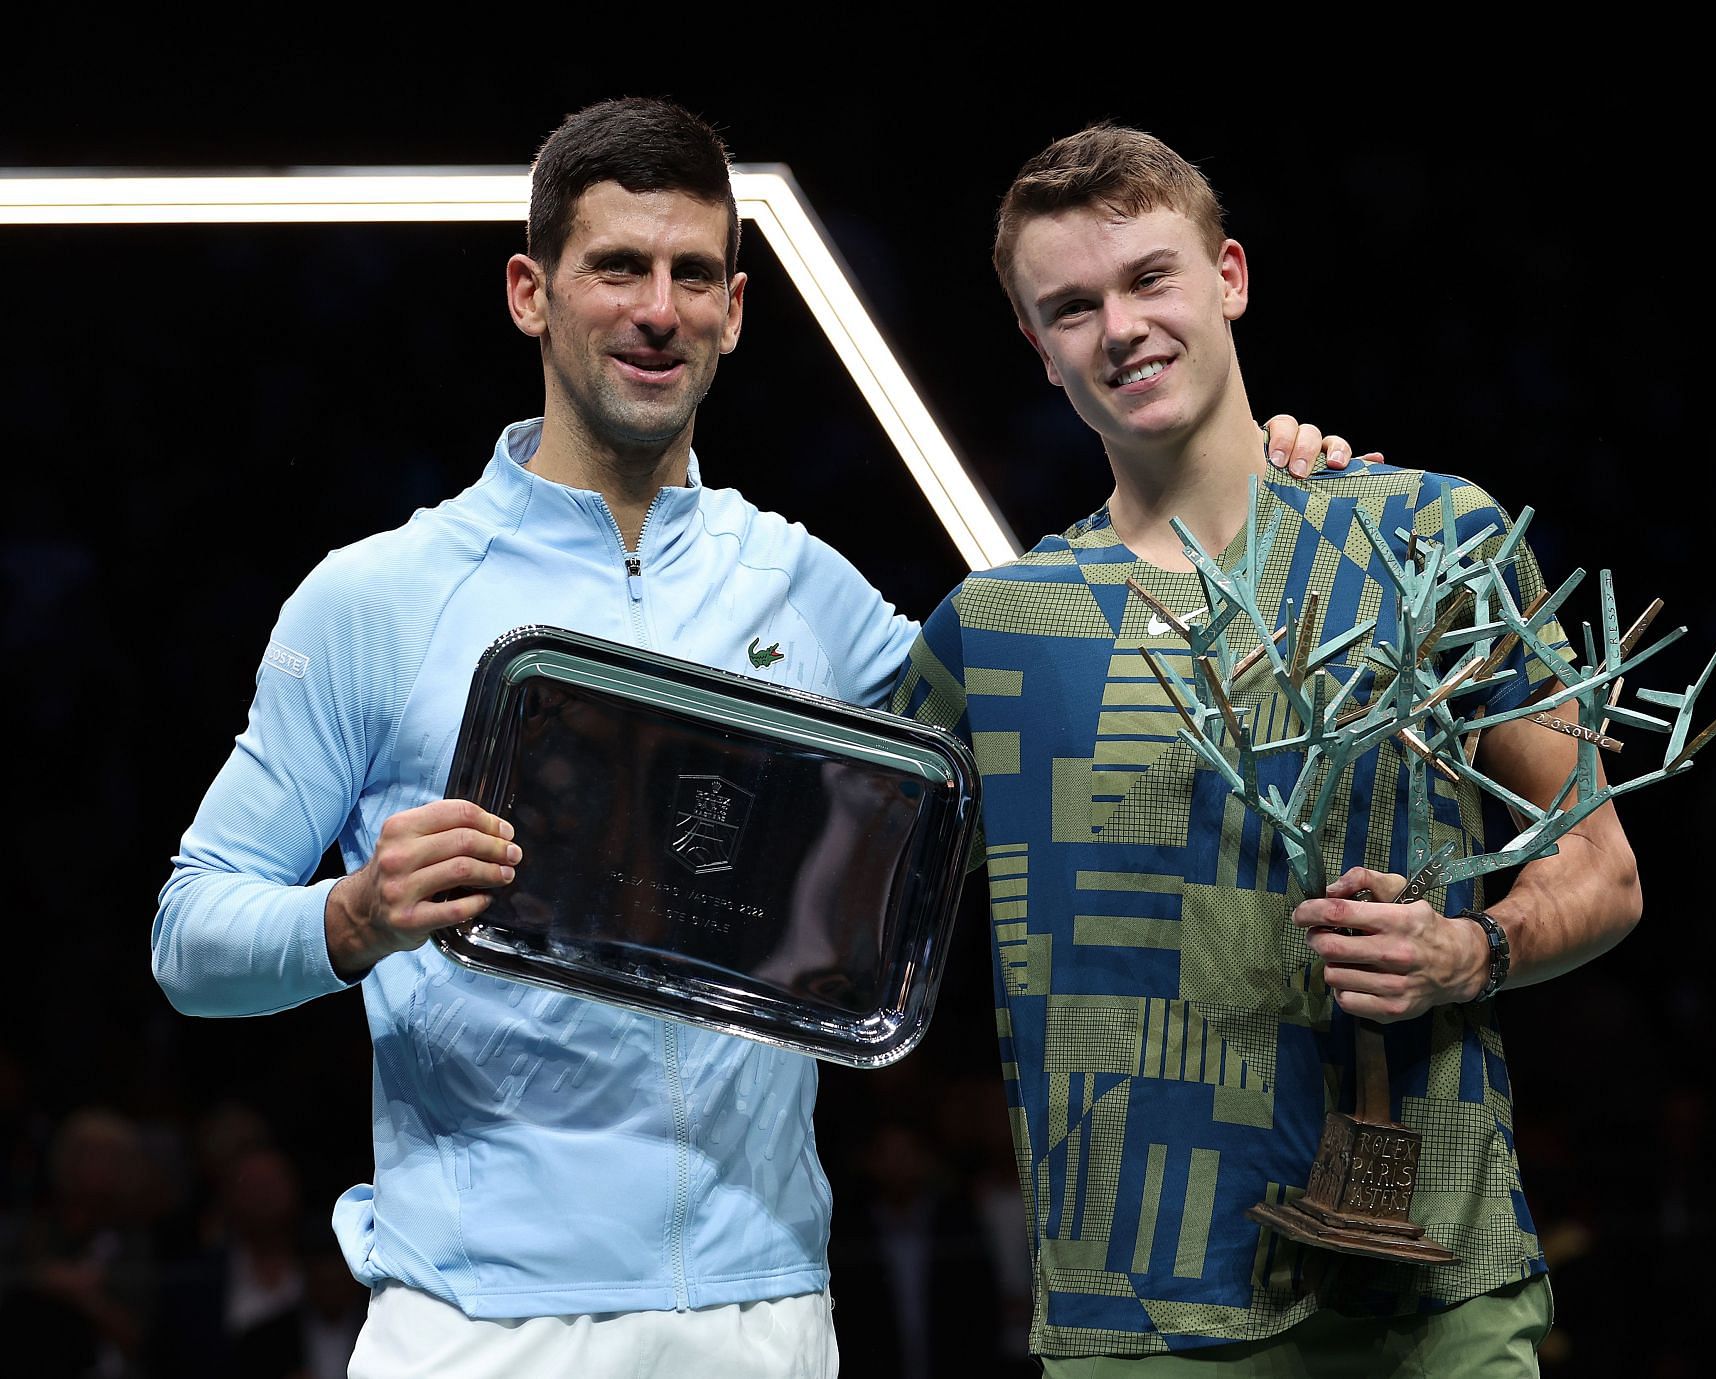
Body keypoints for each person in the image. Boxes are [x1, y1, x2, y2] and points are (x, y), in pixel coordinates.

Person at [150, 97, 1359, 1378]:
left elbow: (1081, 696)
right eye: (617, 266)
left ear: (735, 307)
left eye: (690, 274)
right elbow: (190, 933)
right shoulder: (377, 597)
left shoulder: (806, 587)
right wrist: (350, 917)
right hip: (476, 1324)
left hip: (766, 1314)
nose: (656, 309)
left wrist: (1259, 486)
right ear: (529, 292)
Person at [889, 125, 1642, 1376]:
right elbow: (833, 916)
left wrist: (1472, 947)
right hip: (1137, 1306)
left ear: (1228, 275)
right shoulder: (994, 634)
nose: (1119, 327)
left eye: (1150, 277)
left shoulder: (1425, 538)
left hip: (1433, 1277)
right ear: (1036, 347)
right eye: (1071, 306)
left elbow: (1605, 869)